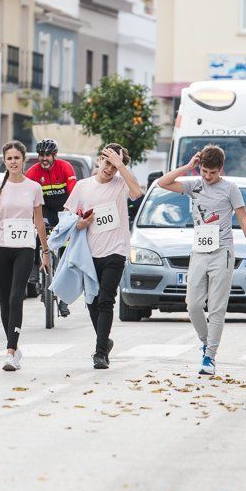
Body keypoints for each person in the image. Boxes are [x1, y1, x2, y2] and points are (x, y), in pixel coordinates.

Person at [158, 144, 246, 376]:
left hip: (223, 251)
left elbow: (245, 221)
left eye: (212, 173)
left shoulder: (230, 189)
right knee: (193, 304)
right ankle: (207, 342)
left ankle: (209, 357)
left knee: (216, 307)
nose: (207, 176)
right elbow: (162, 183)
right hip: (199, 251)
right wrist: (188, 167)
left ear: (221, 170)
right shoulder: (194, 184)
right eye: (204, 171)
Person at [64, 144, 144, 369]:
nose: (110, 169)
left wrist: (121, 165)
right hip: (89, 253)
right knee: (92, 300)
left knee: (106, 299)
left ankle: (100, 354)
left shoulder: (121, 184)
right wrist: (80, 223)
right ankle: (104, 339)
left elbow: (137, 194)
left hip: (115, 251)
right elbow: (69, 219)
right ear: (100, 160)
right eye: (107, 163)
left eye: (114, 165)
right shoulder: (82, 187)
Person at [0, 141, 49, 371]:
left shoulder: (34, 187)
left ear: (24, 160)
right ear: (5, 162)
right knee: (5, 299)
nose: (13, 161)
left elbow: (38, 221)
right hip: (1, 247)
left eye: (17, 157)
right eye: (9, 158)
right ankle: (15, 348)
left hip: (24, 248)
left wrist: (44, 251)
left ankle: (9, 351)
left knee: (17, 297)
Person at [25, 138, 77, 316]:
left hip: (63, 208)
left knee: (65, 256)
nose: (44, 158)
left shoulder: (65, 167)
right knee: (36, 233)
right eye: (41, 155)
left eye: (47, 155)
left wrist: (72, 213)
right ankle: (34, 266)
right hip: (44, 209)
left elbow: (74, 192)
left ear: (54, 155)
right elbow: (28, 198)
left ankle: (64, 301)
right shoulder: (32, 172)